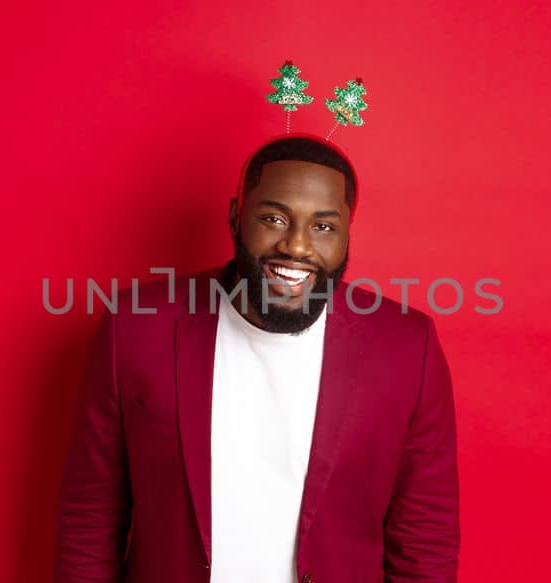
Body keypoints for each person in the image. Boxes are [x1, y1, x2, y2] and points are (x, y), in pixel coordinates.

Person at [56, 135, 459, 583]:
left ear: (348, 235)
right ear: (235, 218)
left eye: (323, 226)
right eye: (274, 218)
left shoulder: (406, 348)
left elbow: (425, 538)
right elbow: (90, 517)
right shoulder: (134, 329)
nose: (298, 246)